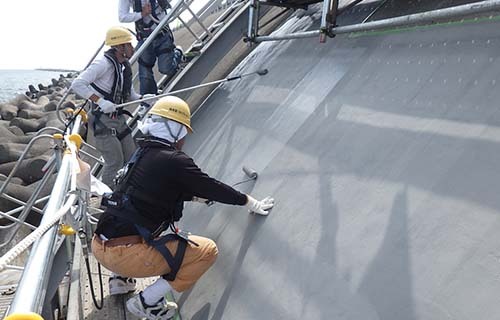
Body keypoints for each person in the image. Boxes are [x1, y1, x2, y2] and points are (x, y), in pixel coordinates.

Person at [91, 96, 275, 319]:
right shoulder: (174, 160)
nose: (184, 138)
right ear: (174, 129)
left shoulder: (142, 153)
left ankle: (119, 281)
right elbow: (211, 186)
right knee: (206, 251)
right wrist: (249, 201)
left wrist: (194, 198)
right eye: (184, 131)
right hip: (127, 256)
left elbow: (151, 192)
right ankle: (145, 302)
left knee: (129, 219)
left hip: (101, 246)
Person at [71, 26, 143, 187]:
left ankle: (126, 191)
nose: (132, 48)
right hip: (102, 121)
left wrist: (144, 98)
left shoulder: (124, 67)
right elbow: (77, 84)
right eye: (128, 45)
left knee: (131, 156)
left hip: (118, 119)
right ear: (119, 47)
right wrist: (100, 101)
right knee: (115, 162)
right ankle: (109, 200)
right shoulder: (102, 64)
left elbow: (129, 94)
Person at [119, 0, 185, 95]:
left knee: (166, 69)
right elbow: (122, 16)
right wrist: (142, 14)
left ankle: (178, 52)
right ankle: (148, 98)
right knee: (145, 73)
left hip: (162, 34)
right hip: (145, 37)